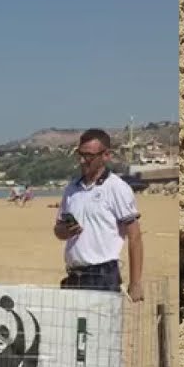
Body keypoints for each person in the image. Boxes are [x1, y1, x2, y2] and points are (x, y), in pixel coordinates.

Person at [53, 129, 145, 302]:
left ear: (106, 156)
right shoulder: (71, 189)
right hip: (74, 274)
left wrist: (135, 283)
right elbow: (58, 231)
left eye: (88, 156)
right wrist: (65, 229)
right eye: (80, 154)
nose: (82, 160)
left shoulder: (117, 188)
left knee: (102, 329)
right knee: (74, 328)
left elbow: (135, 237)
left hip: (103, 275)